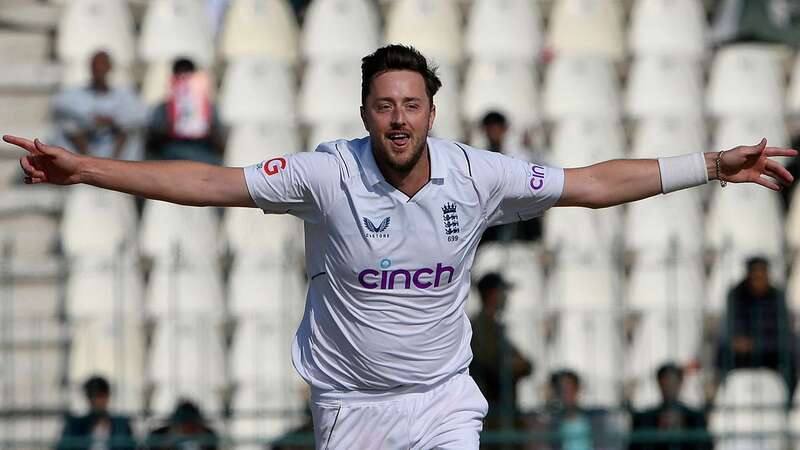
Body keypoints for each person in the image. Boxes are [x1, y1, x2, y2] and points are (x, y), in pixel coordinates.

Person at [5, 44, 796, 449]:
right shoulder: (324, 174)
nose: (397, 120)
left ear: (431, 111)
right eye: (383, 106)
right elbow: (210, 184)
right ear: (364, 110)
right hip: (353, 407)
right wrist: (87, 171)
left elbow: (589, 182)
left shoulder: (475, 175)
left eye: (411, 105)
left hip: (444, 398)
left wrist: (710, 166)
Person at [716, 257, 797, 393]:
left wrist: (755, 343)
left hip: (770, 352)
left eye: (762, 275)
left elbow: (782, 332)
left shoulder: (777, 296)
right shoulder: (736, 295)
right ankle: (723, 397)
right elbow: (732, 330)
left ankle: (788, 401)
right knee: (722, 352)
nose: (759, 281)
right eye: (755, 276)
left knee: (791, 352)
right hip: (742, 355)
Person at [51, 51, 148, 161]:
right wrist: (91, 121)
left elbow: (135, 119)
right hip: (83, 150)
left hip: (115, 150)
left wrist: (112, 121)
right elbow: (68, 118)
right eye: (96, 66)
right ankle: (89, 160)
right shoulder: (73, 94)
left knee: (131, 132)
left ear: (109, 67)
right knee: (69, 126)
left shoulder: (125, 95)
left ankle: (115, 162)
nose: (99, 69)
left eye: (102, 65)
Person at [470, 272, 533, 435]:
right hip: (491, 418)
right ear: (491, 294)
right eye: (502, 292)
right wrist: (511, 365)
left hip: (504, 417)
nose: (505, 297)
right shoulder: (479, 328)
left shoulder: (496, 328)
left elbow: (527, 365)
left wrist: (514, 364)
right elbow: (492, 366)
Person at [478, 111, 543, 244]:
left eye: (496, 128)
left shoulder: (518, 155)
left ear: (504, 129)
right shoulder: (479, 155)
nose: (493, 132)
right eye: (490, 128)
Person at [146, 58, 225, 165]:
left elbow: (221, 144)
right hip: (172, 158)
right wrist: (167, 128)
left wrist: (210, 130)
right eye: (180, 74)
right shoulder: (162, 109)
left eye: (188, 74)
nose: (184, 78)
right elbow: (150, 142)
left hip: (203, 157)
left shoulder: (209, 109)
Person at [628, 363, 711, 450]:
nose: (669, 386)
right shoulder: (644, 418)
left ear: (680, 383)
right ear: (659, 383)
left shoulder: (696, 417)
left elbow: (706, 445)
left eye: (673, 382)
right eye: (665, 381)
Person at [541, 370, 621, 450]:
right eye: (561, 389)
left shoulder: (598, 417)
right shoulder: (551, 422)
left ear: (578, 389)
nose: (566, 393)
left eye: (570, 388)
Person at [56, 376, 136, 450]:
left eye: (100, 396)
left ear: (107, 397)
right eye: (92, 396)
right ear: (88, 398)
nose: (96, 401)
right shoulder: (75, 425)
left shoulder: (121, 426)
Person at [144, 400, 218, 450]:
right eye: (185, 426)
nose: (188, 432)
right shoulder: (158, 436)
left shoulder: (208, 436)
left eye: (192, 427)